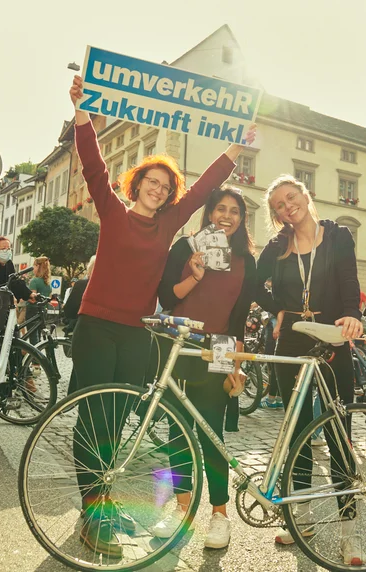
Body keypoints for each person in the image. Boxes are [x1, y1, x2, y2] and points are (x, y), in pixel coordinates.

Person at [66, 75, 255, 556]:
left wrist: (236, 146)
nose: (158, 188)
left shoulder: (172, 222)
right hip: (97, 325)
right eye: (152, 181)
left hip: (136, 333)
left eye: (166, 185)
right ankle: (93, 511)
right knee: (93, 416)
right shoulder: (112, 210)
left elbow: (206, 189)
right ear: (137, 184)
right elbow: (92, 167)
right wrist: (83, 113)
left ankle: (104, 501)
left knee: (121, 416)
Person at [256, 175, 365, 566]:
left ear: (306, 194)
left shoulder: (338, 236)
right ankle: (301, 519)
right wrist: (276, 309)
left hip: (332, 336)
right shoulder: (278, 245)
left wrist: (352, 316)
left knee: (339, 430)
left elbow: (350, 283)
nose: (287, 207)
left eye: (290, 198)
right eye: (278, 206)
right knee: (297, 430)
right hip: (292, 339)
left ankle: (348, 535)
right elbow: (253, 283)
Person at [151, 186, 256, 550]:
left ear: (242, 219)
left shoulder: (246, 258)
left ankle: (220, 515)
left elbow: (240, 317)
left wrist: (237, 364)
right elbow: (166, 297)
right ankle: (181, 511)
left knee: (213, 435)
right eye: (220, 209)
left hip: (220, 347)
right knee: (177, 433)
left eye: (235, 212)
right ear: (209, 212)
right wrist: (195, 274)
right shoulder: (185, 247)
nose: (227, 216)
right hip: (180, 343)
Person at [61, 255, 94, 333]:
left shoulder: (81, 285)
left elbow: (69, 310)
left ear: (89, 270)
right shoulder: (112, 288)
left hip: (84, 329)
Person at [24, 256, 53, 343]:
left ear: (38, 266)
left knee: (33, 337)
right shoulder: (48, 283)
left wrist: (23, 296)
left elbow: (33, 299)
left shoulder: (34, 281)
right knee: (39, 337)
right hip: (43, 310)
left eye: (34, 266)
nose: (33, 268)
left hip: (32, 310)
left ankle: (33, 355)